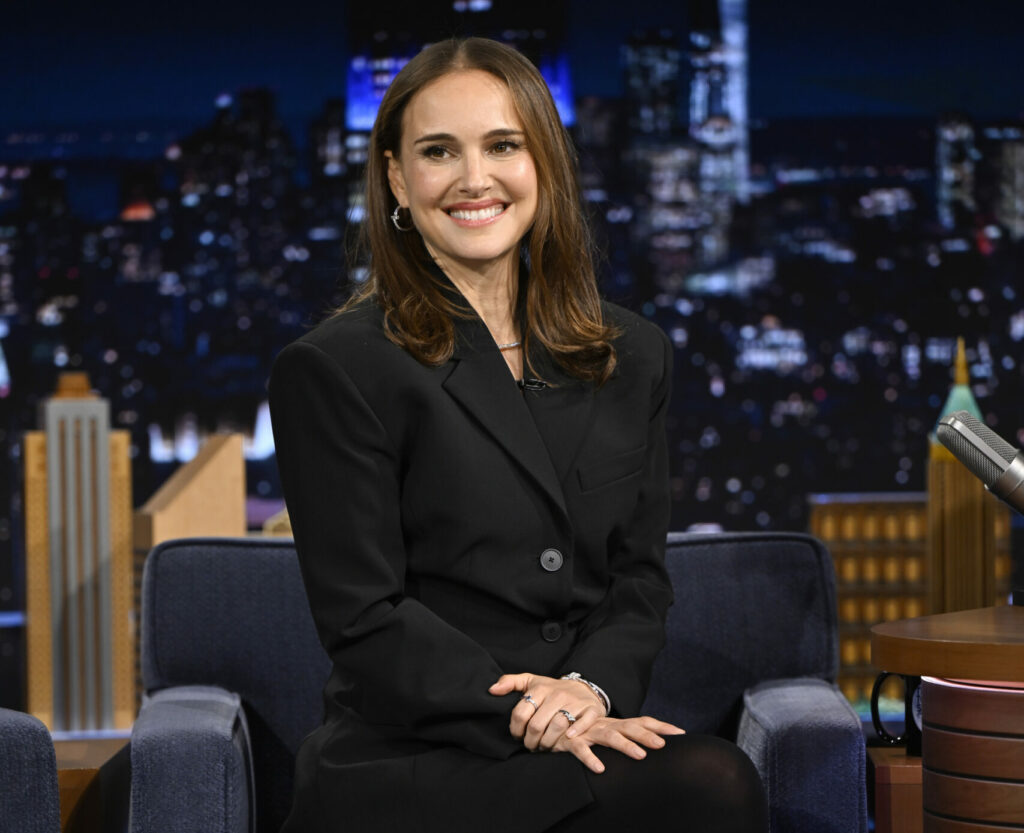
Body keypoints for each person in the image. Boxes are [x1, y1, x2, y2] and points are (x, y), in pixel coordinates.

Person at [269, 36, 767, 833]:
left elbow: (638, 581)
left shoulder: (632, 354)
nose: (475, 179)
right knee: (708, 784)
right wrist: (536, 711)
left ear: (545, 164)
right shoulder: (336, 368)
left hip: (578, 722)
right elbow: (364, 616)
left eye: (503, 145)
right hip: (418, 752)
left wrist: (589, 691)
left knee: (712, 779)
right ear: (396, 178)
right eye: (439, 151)